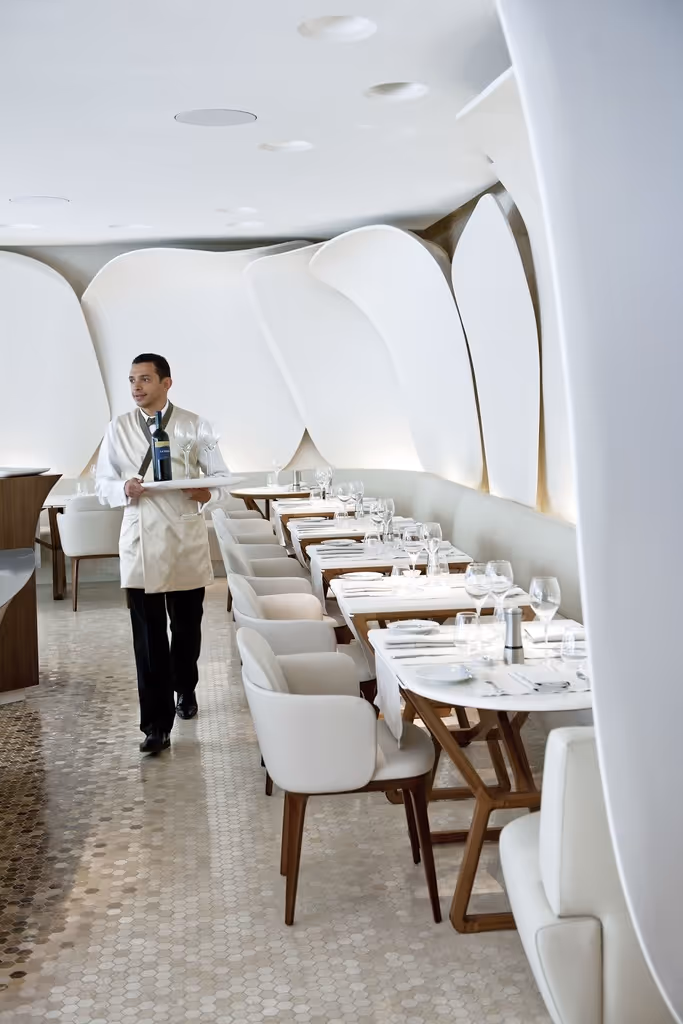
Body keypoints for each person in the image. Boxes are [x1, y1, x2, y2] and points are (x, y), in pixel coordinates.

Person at [96, 353, 230, 754]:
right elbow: (102, 482)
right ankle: (156, 726)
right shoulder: (118, 428)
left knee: (186, 627)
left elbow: (222, 479)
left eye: (145, 379)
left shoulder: (195, 425)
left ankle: (184, 686)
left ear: (166, 383)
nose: (136, 387)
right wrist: (122, 488)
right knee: (148, 636)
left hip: (183, 535)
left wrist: (206, 493)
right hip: (140, 539)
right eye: (132, 380)